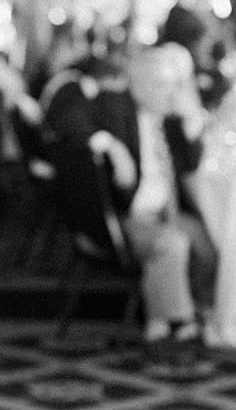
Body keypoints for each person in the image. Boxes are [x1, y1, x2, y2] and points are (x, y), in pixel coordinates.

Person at [44, 44, 217, 351]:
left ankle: (187, 314)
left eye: (174, 85)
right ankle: (177, 325)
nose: (171, 93)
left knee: (208, 243)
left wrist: (191, 122)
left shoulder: (170, 121)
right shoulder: (115, 106)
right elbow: (65, 117)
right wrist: (110, 144)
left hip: (168, 213)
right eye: (162, 85)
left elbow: (190, 165)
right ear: (140, 86)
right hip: (128, 216)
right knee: (171, 244)